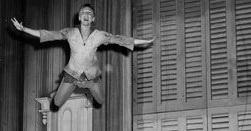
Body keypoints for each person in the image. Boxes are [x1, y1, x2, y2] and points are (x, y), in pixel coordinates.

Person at [11, 3, 154, 110]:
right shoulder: (70, 32)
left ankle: (88, 85)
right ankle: (77, 84)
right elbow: (47, 34)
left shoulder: (100, 35)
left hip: (91, 74)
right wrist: (24, 29)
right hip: (72, 73)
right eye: (83, 12)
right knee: (57, 102)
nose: (86, 15)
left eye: (89, 13)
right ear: (79, 17)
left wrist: (144, 41)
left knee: (100, 100)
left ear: (93, 19)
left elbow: (120, 40)